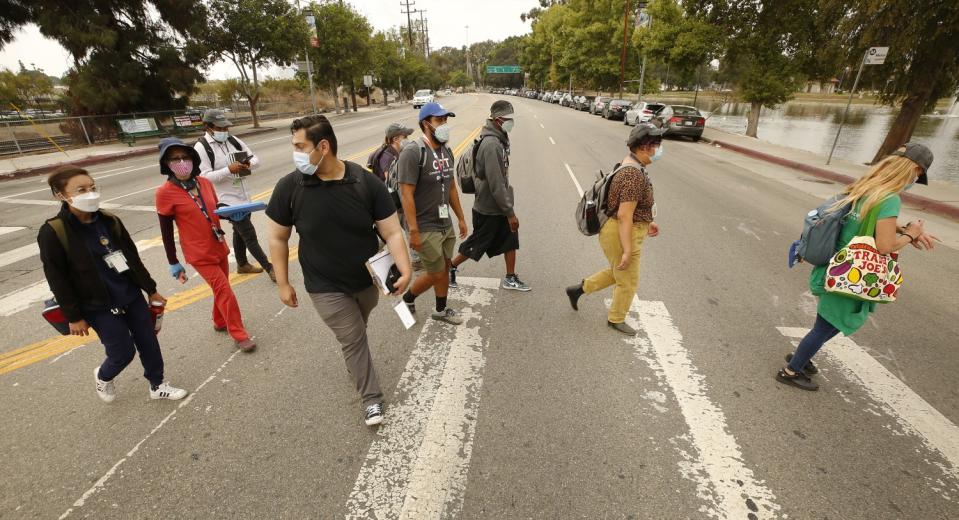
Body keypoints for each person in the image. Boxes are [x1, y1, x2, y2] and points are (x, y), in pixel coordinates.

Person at [266, 115, 412, 427]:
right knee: (354, 335)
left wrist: (405, 268)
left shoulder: (364, 181)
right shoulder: (290, 187)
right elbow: (278, 238)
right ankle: (372, 400)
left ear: (323, 146)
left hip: (364, 280)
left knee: (359, 326)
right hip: (323, 284)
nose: (295, 153)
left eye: (299, 146)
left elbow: (393, 232)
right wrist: (282, 283)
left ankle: (355, 361)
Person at [777, 143, 939, 391]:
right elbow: (885, 246)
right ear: (914, 169)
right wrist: (910, 235)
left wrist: (905, 230)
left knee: (829, 323)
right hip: (852, 272)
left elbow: (870, 219)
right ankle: (791, 370)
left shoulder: (866, 187)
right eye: (918, 175)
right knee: (826, 326)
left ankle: (802, 357)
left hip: (836, 265)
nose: (916, 180)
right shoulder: (889, 199)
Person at [38, 166, 188, 402]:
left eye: (92, 187)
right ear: (61, 195)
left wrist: (151, 289)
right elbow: (56, 277)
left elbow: (132, 257)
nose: (90, 193)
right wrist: (73, 316)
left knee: (148, 340)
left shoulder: (109, 220)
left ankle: (157, 384)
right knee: (122, 352)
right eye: (81, 190)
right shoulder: (54, 231)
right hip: (96, 304)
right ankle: (104, 376)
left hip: (129, 294)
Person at [155, 137, 256, 352]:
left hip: (218, 245)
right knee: (225, 291)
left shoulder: (204, 183)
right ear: (166, 164)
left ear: (193, 158)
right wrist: (173, 261)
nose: (181, 162)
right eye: (174, 159)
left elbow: (213, 206)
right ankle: (239, 334)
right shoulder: (165, 193)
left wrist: (229, 212)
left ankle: (219, 321)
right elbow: (165, 231)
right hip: (198, 253)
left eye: (184, 156)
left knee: (221, 289)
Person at [565, 123, 663, 335]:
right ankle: (616, 318)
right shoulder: (632, 175)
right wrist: (627, 249)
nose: (658, 150)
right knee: (628, 281)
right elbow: (624, 215)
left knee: (618, 272)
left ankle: (578, 290)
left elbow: (628, 207)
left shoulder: (631, 165)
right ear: (645, 147)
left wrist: (648, 221)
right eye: (656, 145)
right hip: (620, 231)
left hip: (625, 228)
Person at [399, 102, 469, 325]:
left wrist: (460, 218)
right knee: (437, 272)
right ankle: (407, 299)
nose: (445, 125)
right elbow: (406, 194)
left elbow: (451, 188)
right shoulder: (413, 152)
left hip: (444, 222)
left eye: (446, 120)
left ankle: (440, 309)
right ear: (425, 124)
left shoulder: (447, 151)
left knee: (444, 268)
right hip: (424, 224)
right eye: (440, 120)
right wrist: (413, 231)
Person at [449, 100, 530, 292]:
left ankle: (510, 277)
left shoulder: (497, 139)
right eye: (509, 119)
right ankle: (450, 268)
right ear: (499, 120)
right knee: (477, 243)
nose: (512, 123)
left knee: (511, 238)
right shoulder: (492, 144)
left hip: (497, 204)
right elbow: (496, 184)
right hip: (489, 206)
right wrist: (510, 213)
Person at [195, 109, 275, 282]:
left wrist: (247, 164)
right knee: (248, 233)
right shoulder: (202, 147)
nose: (224, 132)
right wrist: (228, 170)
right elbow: (204, 177)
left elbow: (256, 160)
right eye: (219, 128)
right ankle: (270, 268)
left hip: (243, 196)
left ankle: (242, 264)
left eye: (226, 128)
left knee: (239, 231)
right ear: (207, 127)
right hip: (224, 200)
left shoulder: (233, 140)